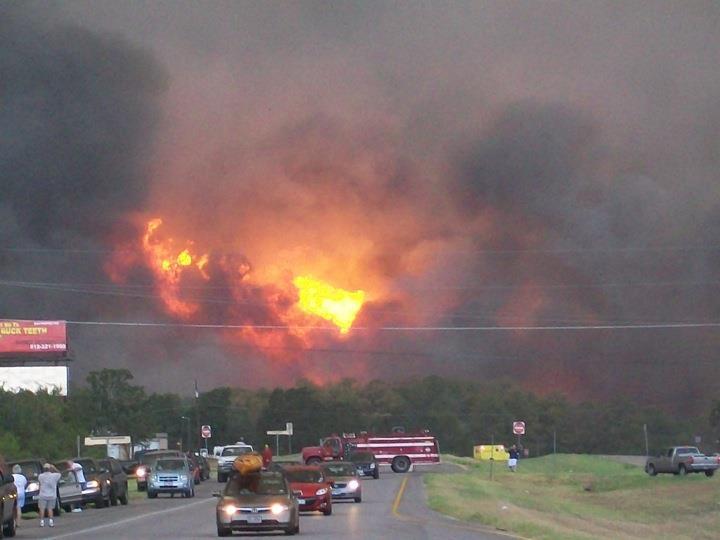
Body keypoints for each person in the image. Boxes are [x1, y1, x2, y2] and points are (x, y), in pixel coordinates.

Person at [38, 463, 61, 527]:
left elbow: (40, 484)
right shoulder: (54, 476)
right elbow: (59, 473)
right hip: (52, 495)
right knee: (50, 508)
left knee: (42, 508)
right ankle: (51, 521)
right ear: (50, 469)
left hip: (42, 494)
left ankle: (42, 521)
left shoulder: (40, 476)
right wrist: (54, 468)